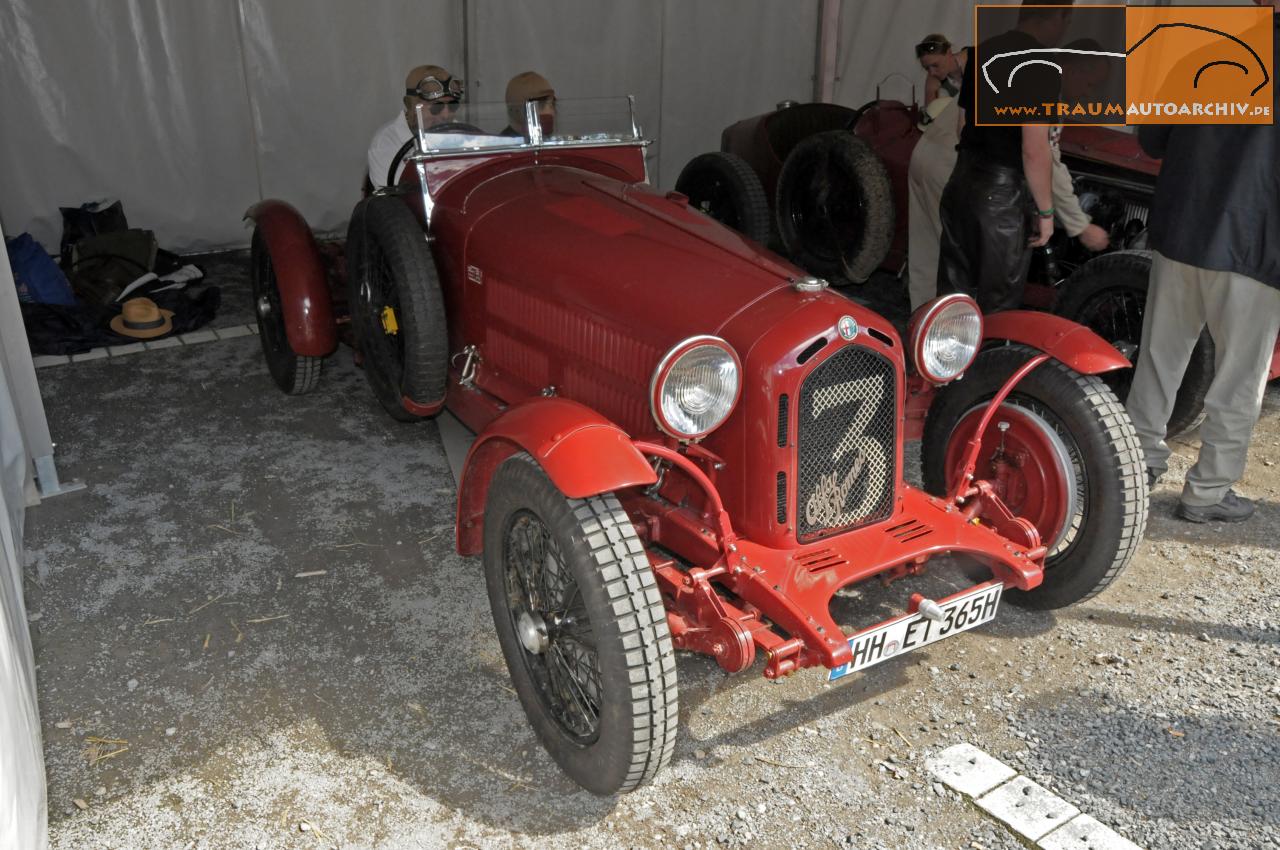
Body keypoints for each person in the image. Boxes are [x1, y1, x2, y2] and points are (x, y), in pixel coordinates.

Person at [1125, 1, 1279, 522]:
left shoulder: (1203, 54)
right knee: (1239, 377)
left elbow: (1150, 138)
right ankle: (1207, 493)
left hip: (1181, 232)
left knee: (1159, 361)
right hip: (1254, 246)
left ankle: (1137, 462)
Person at [936, 0, 1074, 313]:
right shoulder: (1042, 66)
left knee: (951, 299)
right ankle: (988, 362)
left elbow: (962, 124)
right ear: (1057, 17)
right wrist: (1046, 212)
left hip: (961, 180)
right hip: (1002, 196)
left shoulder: (983, 51)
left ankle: (940, 361)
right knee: (997, 309)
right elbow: (1034, 148)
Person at [906, 36, 969, 310]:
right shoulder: (942, 78)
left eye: (935, 65)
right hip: (940, 158)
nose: (933, 72)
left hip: (926, 155)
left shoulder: (973, 66)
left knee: (926, 243)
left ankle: (923, 308)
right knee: (946, 242)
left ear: (950, 52)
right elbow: (961, 130)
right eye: (927, 68)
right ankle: (947, 314)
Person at [367, 65, 464, 189]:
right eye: (436, 108)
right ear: (410, 105)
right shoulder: (386, 143)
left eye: (452, 106)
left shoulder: (460, 132)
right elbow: (400, 199)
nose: (446, 115)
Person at [502, 71, 556, 138]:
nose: (551, 112)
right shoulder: (504, 146)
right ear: (517, 111)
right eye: (540, 105)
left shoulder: (545, 141)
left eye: (552, 104)